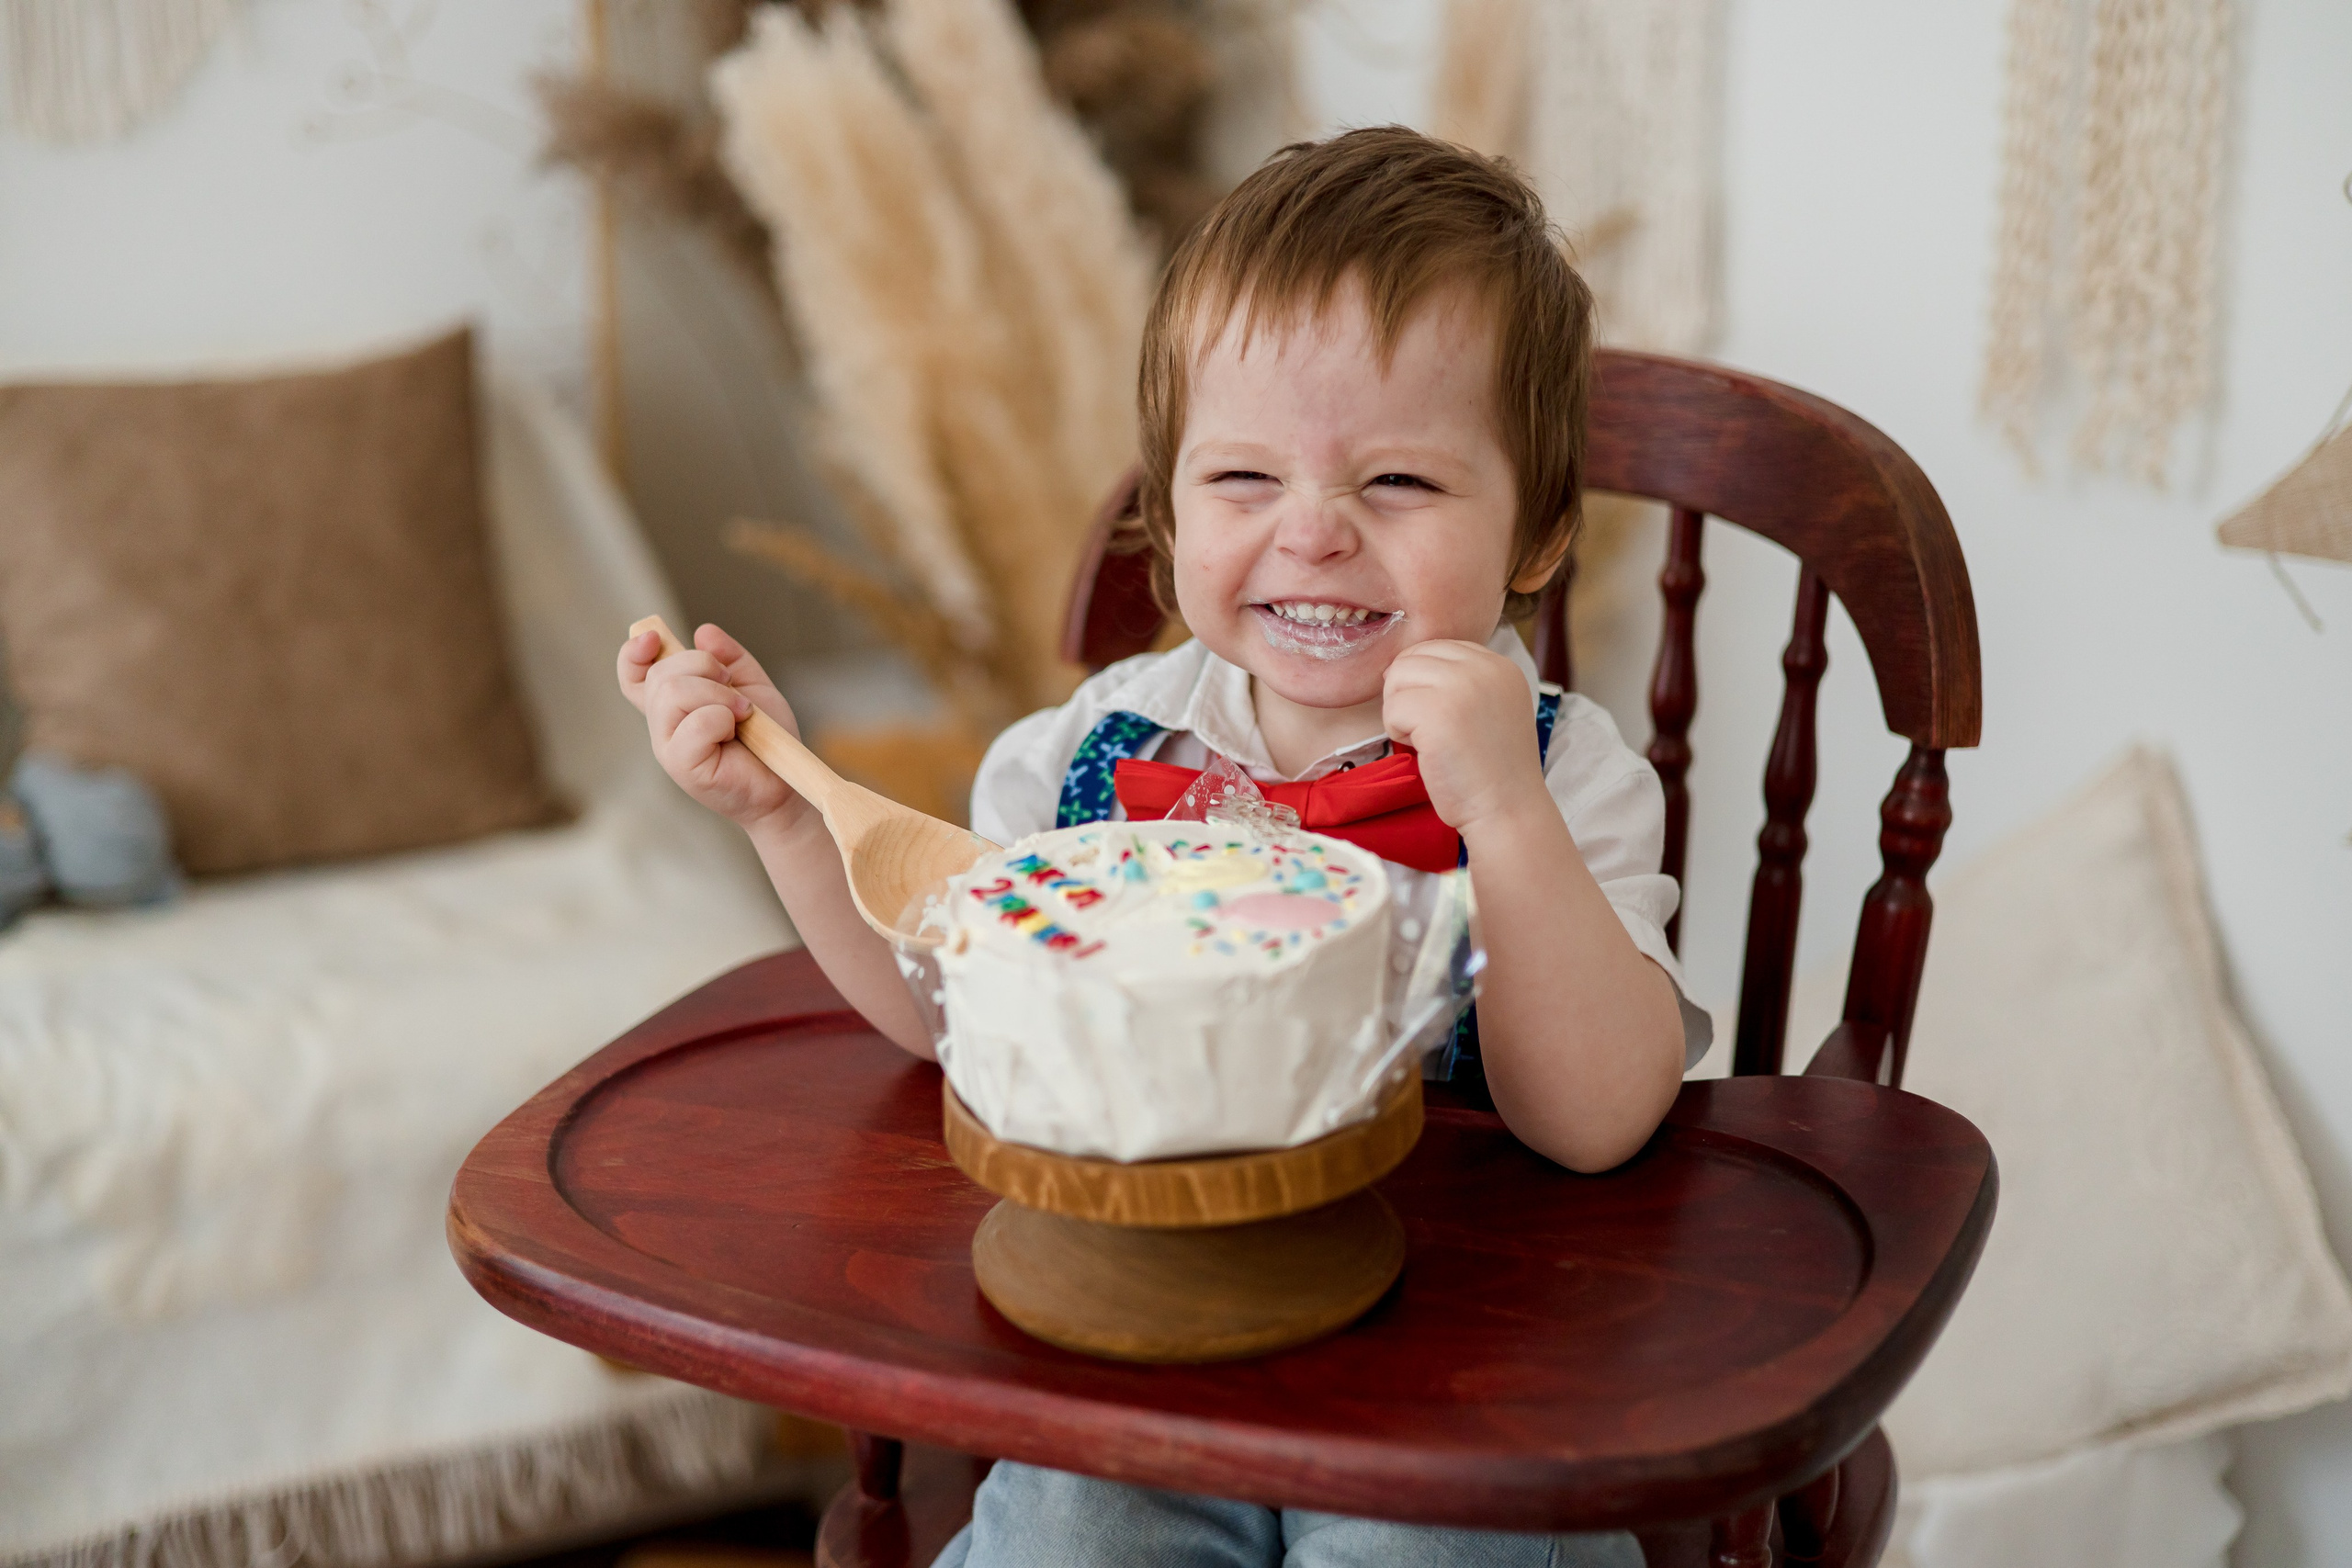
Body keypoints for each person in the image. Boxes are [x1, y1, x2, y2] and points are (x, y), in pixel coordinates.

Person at [620, 126, 1709, 1568]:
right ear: (1167, 505)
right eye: (1245, 480)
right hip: (1140, 1350)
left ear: (1537, 531)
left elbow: (1598, 1121)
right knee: (1063, 1535)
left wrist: (1499, 813)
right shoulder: (1097, 754)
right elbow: (952, 1011)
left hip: (1469, 1384)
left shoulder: (1562, 774)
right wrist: (787, 816)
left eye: (1399, 485)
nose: (1313, 534)